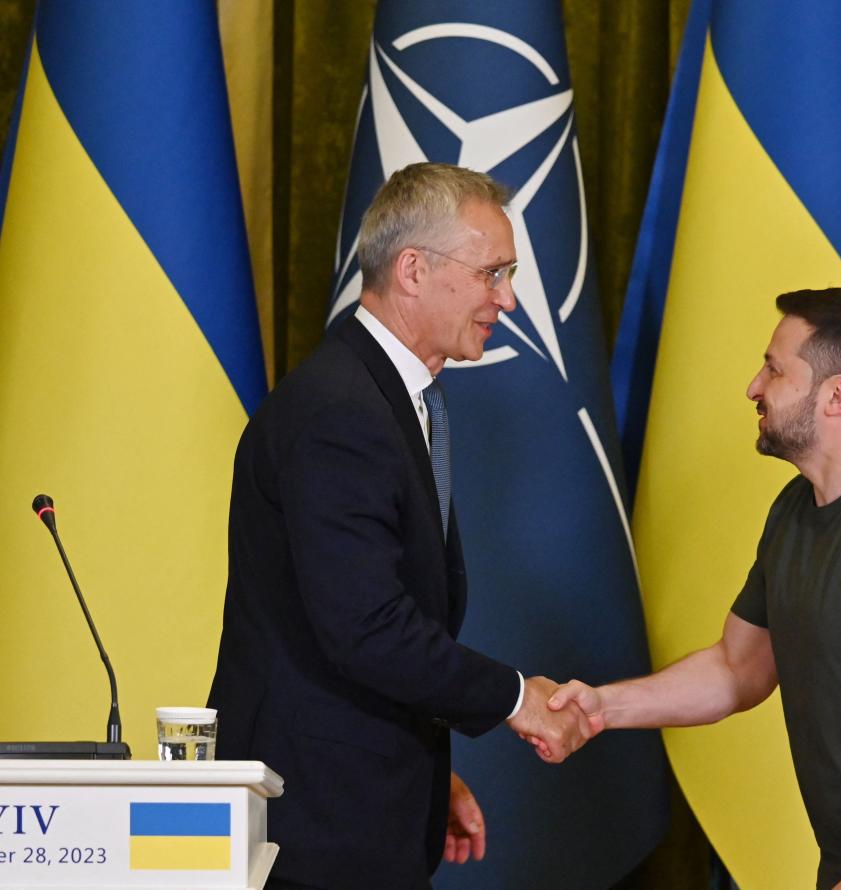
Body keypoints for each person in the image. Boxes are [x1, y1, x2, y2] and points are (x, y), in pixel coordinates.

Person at [207, 162, 588, 890]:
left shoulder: (384, 399)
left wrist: (424, 770)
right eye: (493, 273)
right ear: (413, 269)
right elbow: (368, 628)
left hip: (354, 802)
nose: (507, 299)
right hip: (312, 826)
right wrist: (516, 699)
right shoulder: (340, 414)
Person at [548, 287, 841, 889]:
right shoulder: (795, 509)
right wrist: (601, 709)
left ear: (837, 395)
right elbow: (738, 669)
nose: (753, 387)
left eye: (774, 368)